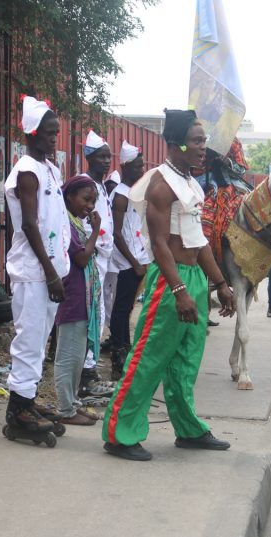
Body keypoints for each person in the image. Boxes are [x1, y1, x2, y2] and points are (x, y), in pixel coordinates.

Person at [101, 109, 237, 462]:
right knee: (148, 358)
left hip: (193, 277)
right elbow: (160, 244)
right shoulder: (161, 183)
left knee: (185, 362)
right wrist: (178, 291)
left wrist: (220, 283)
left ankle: (189, 430)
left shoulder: (191, 182)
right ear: (175, 143)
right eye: (196, 141)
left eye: (204, 141)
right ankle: (120, 434)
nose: (203, 148)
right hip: (170, 279)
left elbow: (200, 240)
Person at [3, 96, 70, 436]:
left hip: (49, 274)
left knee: (39, 339)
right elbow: (29, 226)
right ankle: (17, 414)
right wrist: (50, 271)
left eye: (56, 133)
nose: (53, 139)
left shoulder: (50, 169)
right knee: (28, 340)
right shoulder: (27, 172)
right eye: (48, 133)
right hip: (34, 274)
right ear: (31, 134)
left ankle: (26, 400)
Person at [51, 175, 104, 426]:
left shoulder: (75, 223)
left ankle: (72, 404)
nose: (90, 206)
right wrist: (95, 232)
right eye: (86, 199)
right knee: (68, 357)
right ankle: (65, 409)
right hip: (72, 299)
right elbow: (81, 258)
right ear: (69, 197)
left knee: (77, 357)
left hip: (81, 300)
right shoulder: (67, 225)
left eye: (93, 201)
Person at [78, 130, 117, 396]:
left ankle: (89, 370)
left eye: (108, 157)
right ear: (89, 157)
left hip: (102, 256)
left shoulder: (100, 184)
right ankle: (86, 374)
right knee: (93, 313)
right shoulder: (85, 184)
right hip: (90, 255)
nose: (106, 161)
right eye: (101, 157)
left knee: (99, 312)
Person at [108, 142, 151, 379]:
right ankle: (118, 356)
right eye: (137, 166)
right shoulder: (121, 196)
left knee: (126, 309)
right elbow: (116, 233)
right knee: (121, 309)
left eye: (142, 165)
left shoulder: (132, 192)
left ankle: (125, 352)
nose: (142, 169)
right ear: (125, 166)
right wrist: (134, 262)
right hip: (126, 263)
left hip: (135, 260)